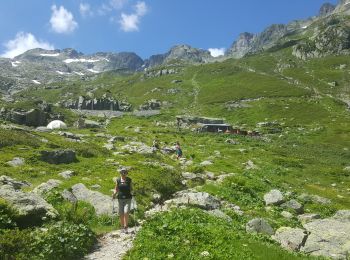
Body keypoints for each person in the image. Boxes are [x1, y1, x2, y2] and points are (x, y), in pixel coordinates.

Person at [113, 167, 132, 233]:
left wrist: (133, 193)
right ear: (120, 173)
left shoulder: (129, 180)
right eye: (122, 172)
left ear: (126, 173)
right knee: (121, 213)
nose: (123, 173)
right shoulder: (118, 180)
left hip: (128, 198)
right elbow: (116, 188)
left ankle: (126, 226)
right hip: (120, 199)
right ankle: (122, 227)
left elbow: (131, 188)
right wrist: (114, 194)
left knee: (126, 212)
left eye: (125, 172)